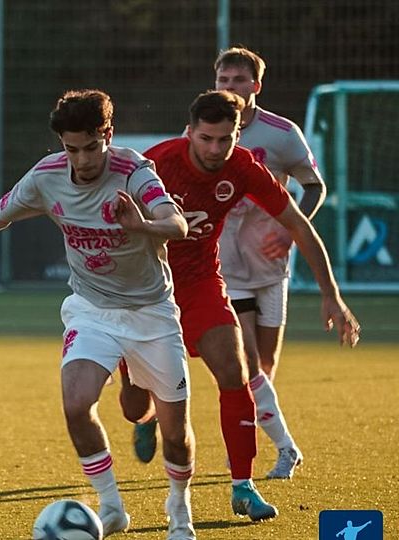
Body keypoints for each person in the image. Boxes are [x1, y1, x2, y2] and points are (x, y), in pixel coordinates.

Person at [0, 90, 198, 539]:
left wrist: (141, 225)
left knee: (173, 432)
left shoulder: (134, 171)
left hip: (150, 313)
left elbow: (177, 225)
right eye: (71, 148)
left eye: (91, 147)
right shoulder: (46, 177)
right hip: (91, 308)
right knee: (76, 404)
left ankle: (179, 508)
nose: (81, 159)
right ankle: (111, 506)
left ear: (107, 137)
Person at [117, 90, 360, 523]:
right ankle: (148, 412)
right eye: (206, 139)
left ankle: (243, 487)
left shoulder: (244, 167)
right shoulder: (156, 163)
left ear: (236, 135)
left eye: (224, 140)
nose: (215, 149)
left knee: (236, 371)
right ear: (190, 132)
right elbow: (114, 220)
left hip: (201, 284)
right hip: (146, 290)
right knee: (135, 407)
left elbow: (299, 227)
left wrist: (332, 294)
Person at [213, 46, 327, 479]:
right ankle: (270, 445)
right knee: (242, 361)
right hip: (225, 264)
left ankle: (258, 435)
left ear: (255, 86)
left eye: (239, 81)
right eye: (223, 81)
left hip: (271, 262)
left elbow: (314, 187)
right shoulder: (206, 129)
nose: (230, 89)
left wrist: (291, 229)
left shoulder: (282, 133)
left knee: (265, 365)